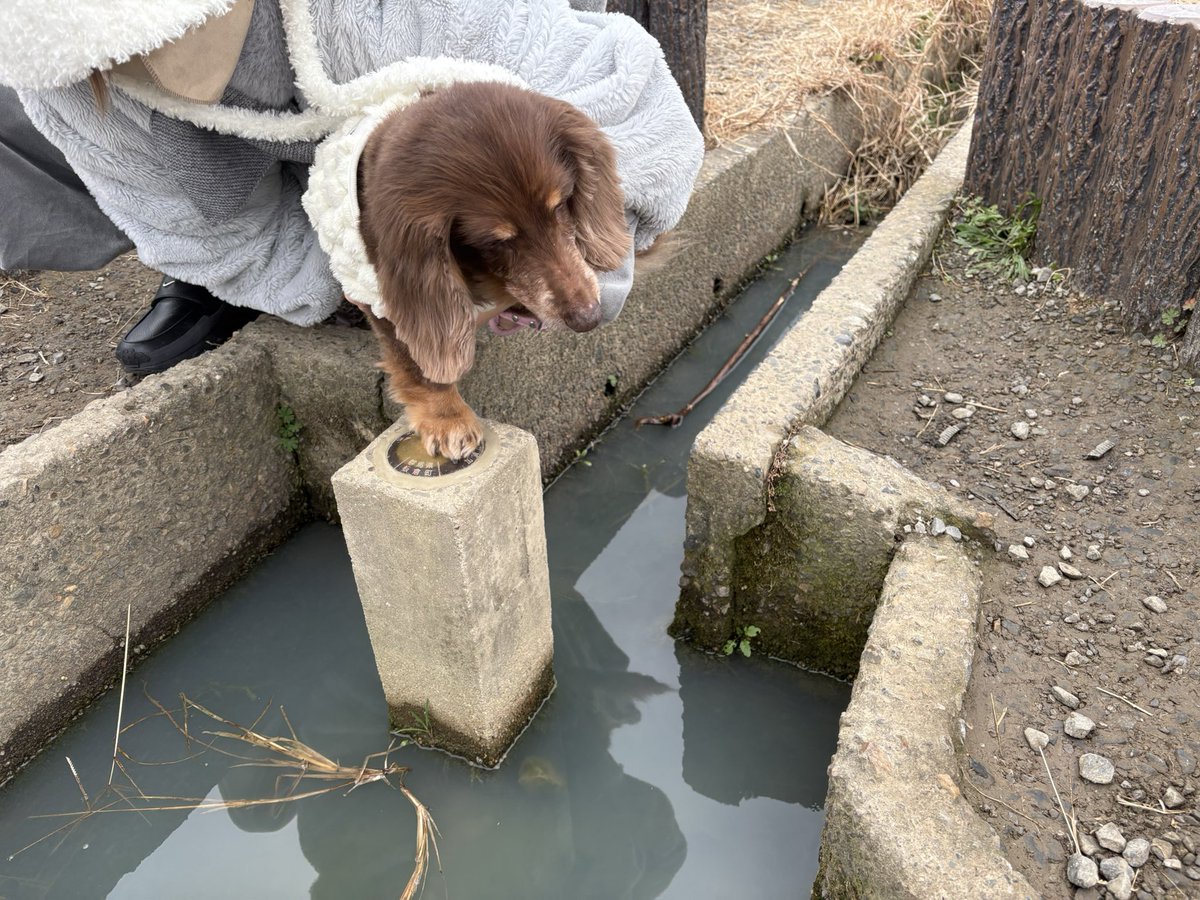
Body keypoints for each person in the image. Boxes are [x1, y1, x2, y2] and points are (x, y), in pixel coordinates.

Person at [0, 0, 703, 375]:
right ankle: (213, 291)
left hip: (446, 74)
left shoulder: (411, 14)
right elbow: (218, 236)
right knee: (186, 199)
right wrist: (387, 287)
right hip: (282, 170)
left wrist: (596, 245)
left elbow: (631, 105)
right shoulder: (64, 76)